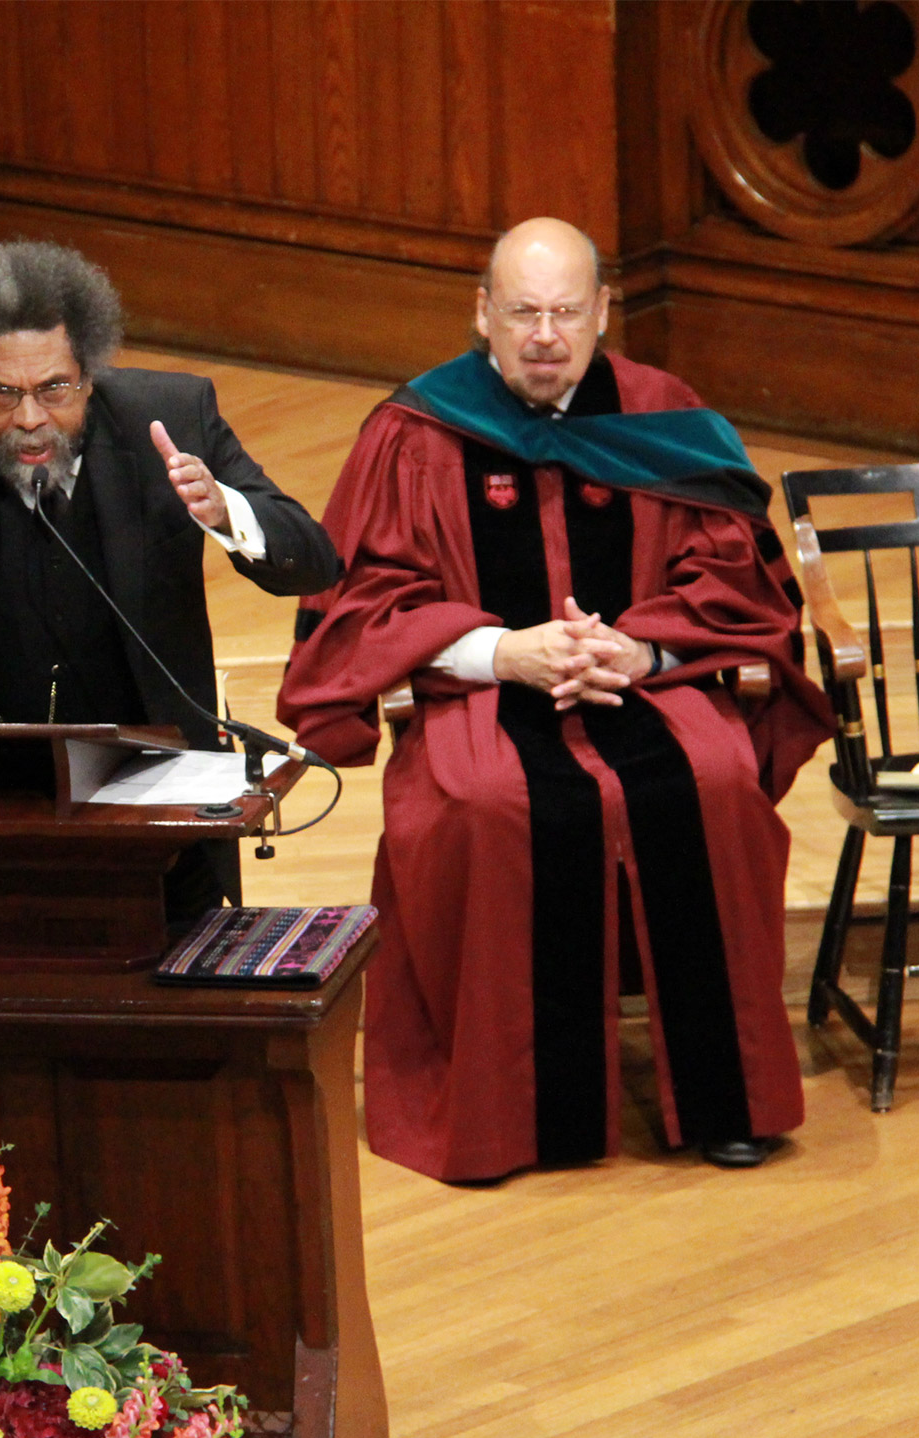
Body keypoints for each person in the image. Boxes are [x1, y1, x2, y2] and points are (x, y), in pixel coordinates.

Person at [277, 218, 831, 1182]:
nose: (544, 334)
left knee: (714, 778)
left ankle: (726, 1098)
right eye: (523, 311)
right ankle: (510, 1118)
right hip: (480, 688)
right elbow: (363, 599)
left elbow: (738, 578)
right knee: (489, 801)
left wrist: (640, 649)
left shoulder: (666, 416)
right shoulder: (418, 432)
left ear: (604, 314)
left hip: (644, 681)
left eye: (566, 312)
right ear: (481, 314)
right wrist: (505, 651)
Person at [0, 239, 339, 915]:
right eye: (0, 393)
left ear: (92, 373)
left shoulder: (173, 418)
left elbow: (312, 559)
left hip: (150, 786)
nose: (29, 417)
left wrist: (228, 510)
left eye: (54, 388)